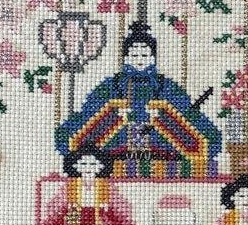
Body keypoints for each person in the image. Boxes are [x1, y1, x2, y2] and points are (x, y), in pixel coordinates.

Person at [55, 20, 221, 169]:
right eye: (134, 55)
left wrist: (165, 118)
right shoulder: (112, 86)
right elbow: (88, 116)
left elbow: (188, 117)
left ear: (153, 57)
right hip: (113, 150)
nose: (139, 59)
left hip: (164, 151)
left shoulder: (166, 87)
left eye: (145, 55)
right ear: (125, 58)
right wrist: (112, 116)